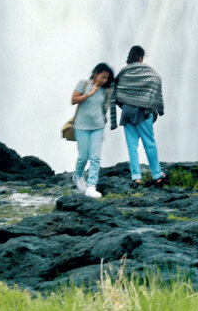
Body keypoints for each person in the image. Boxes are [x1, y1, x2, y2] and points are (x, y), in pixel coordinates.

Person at [110, 45, 166, 187]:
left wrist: (126, 104)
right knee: (149, 144)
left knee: (131, 146)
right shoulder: (148, 71)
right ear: (140, 57)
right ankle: (157, 175)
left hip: (127, 113)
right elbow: (156, 81)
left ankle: (136, 177)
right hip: (144, 112)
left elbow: (115, 90)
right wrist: (149, 102)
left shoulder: (124, 72)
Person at [71, 63, 115, 199]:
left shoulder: (106, 89)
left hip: (98, 127)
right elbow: (73, 100)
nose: (104, 80)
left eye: (107, 78)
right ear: (95, 73)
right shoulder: (83, 84)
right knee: (83, 156)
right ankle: (77, 176)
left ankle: (91, 186)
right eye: (103, 77)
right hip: (81, 127)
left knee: (95, 157)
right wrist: (90, 93)